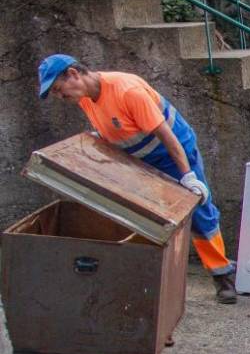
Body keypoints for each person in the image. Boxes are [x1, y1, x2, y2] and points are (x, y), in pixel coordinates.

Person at [38, 55, 237, 304]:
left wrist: (187, 175)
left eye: (58, 89)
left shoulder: (127, 91)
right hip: (141, 159)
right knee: (144, 217)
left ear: (74, 74)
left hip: (173, 153)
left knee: (198, 212)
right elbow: (114, 129)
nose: (60, 97)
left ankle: (223, 275)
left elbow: (167, 135)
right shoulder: (86, 99)